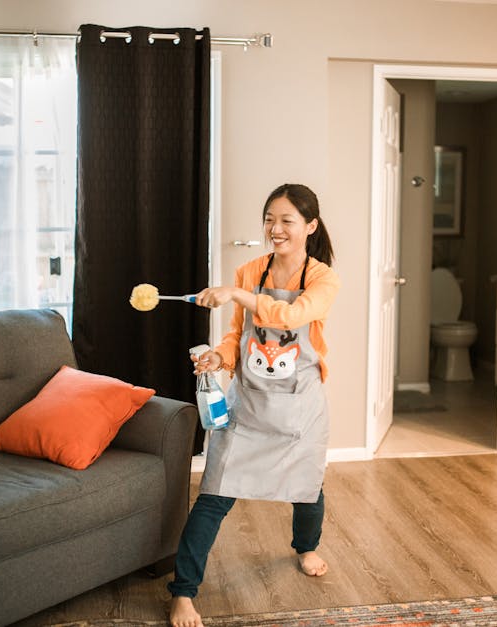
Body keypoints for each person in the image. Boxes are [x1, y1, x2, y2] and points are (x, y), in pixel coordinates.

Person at [168, 183, 340, 627]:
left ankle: (306, 546)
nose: (275, 229)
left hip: (300, 405)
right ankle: (183, 593)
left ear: (310, 226)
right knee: (213, 495)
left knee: (308, 487)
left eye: (286, 220)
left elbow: (289, 317)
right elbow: (237, 333)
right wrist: (220, 357)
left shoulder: (323, 278)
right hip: (248, 403)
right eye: (269, 219)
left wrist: (236, 294)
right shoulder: (249, 271)